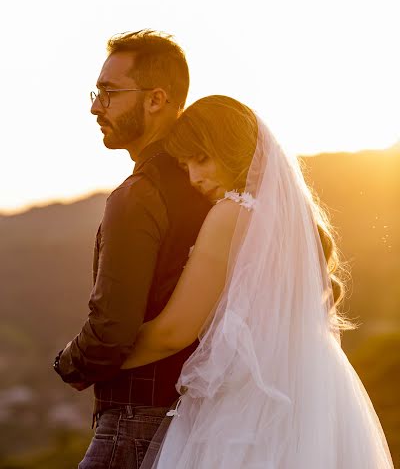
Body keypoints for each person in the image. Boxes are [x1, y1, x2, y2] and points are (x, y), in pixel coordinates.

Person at [121, 95, 394, 468]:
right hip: (315, 394)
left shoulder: (229, 214)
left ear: (232, 149)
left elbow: (173, 332)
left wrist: (99, 359)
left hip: (251, 403)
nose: (194, 178)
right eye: (185, 166)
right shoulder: (289, 223)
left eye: (202, 159)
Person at [53, 30, 211, 469]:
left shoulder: (138, 195)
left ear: (156, 99)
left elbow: (111, 331)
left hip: (134, 420)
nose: (94, 106)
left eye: (108, 93)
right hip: (198, 417)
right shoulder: (215, 186)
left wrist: (67, 364)